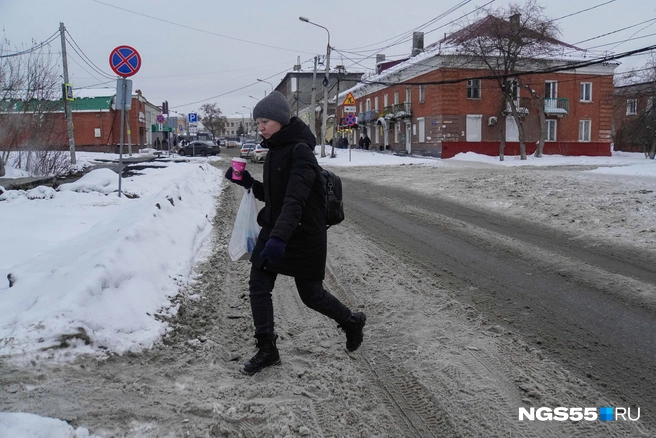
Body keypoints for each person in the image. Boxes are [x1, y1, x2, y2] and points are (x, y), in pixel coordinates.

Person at [224, 91, 366, 375]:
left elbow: (295, 201)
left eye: (264, 121)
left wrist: (279, 238)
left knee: (311, 295)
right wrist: (249, 182)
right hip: (277, 229)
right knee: (258, 285)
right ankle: (267, 349)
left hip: (303, 235)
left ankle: (351, 321)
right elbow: (277, 197)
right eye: (257, 122)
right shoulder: (275, 149)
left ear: (280, 120)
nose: (260, 127)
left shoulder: (300, 151)